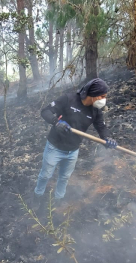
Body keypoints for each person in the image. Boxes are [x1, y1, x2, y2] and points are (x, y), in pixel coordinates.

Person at [33, 78, 117, 207]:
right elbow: (45, 111)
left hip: (73, 150)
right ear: (93, 94)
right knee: (45, 175)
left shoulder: (96, 110)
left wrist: (108, 138)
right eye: (102, 96)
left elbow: (101, 127)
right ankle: (37, 196)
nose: (104, 99)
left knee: (64, 177)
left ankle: (58, 200)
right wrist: (56, 122)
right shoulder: (68, 99)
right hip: (54, 147)